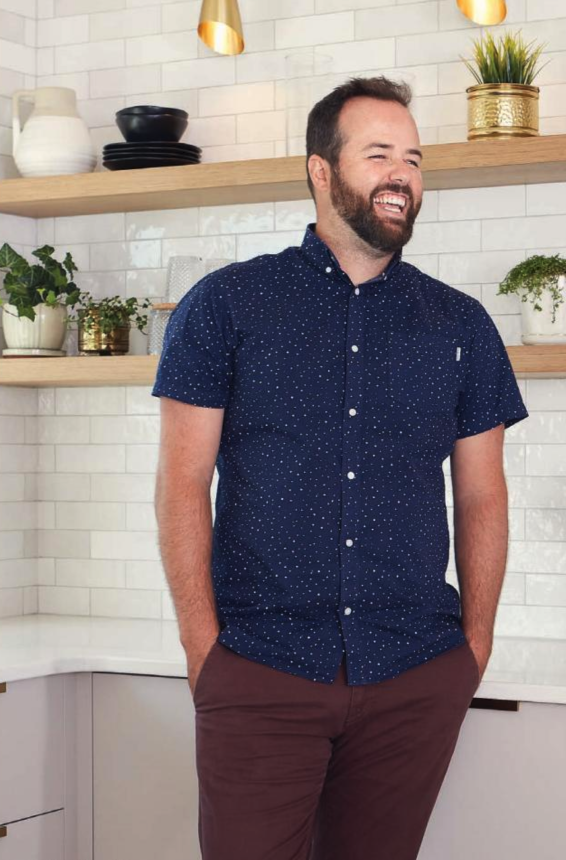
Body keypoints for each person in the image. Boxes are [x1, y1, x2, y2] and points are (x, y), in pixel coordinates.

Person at [151, 75, 529, 860]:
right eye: (379, 154)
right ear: (321, 171)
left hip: (414, 673)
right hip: (259, 668)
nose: (402, 175)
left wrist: (474, 647)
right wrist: (202, 647)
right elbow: (183, 482)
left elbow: (483, 495)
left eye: (415, 160)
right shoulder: (224, 306)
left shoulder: (460, 325)